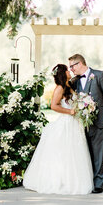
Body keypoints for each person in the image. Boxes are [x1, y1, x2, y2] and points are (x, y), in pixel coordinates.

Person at [23, 64, 93, 195]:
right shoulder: (60, 88)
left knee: (74, 152)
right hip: (66, 122)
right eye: (67, 69)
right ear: (63, 73)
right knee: (65, 152)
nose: (69, 71)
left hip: (74, 123)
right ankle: (60, 181)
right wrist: (70, 111)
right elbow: (53, 106)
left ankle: (70, 180)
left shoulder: (69, 85)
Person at [68, 54, 103, 194]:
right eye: (69, 67)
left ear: (80, 63)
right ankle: (87, 181)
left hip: (99, 120)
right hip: (81, 123)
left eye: (72, 66)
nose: (71, 69)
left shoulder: (99, 75)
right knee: (84, 153)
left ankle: (98, 183)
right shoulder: (74, 81)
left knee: (99, 154)